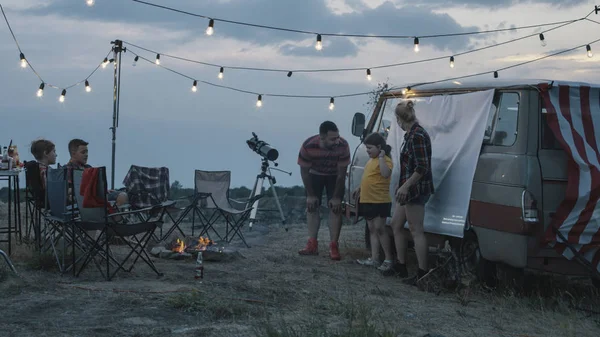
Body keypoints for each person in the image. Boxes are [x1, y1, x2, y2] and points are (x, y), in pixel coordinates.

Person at [389, 100, 434, 285]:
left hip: (415, 189)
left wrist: (406, 186)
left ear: (400, 119)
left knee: (416, 230)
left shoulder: (417, 135)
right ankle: (401, 265)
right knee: (396, 224)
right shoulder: (410, 134)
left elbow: (422, 167)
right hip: (406, 190)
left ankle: (423, 273)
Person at [297, 121, 351, 260]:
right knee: (312, 206)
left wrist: (336, 197)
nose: (337, 141)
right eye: (333, 139)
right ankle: (312, 244)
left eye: (338, 137)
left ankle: (334, 245)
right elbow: (304, 172)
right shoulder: (308, 146)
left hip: (334, 176)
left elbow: (341, 175)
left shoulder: (343, 146)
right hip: (314, 174)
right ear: (322, 137)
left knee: (336, 208)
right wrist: (310, 195)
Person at [352, 133, 395, 270]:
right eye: (367, 148)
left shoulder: (385, 160)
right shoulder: (370, 161)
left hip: (379, 200)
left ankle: (388, 259)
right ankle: (375, 258)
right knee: (372, 229)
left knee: (380, 229)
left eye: (370, 148)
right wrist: (359, 188)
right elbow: (368, 177)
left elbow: (385, 174)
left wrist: (382, 157)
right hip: (367, 199)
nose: (368, 151)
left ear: (379, 147)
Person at [65, 138, 128, 207]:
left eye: (87, 152)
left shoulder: (88, 167)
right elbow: (68, 191)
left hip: (96, 195)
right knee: (122, 196)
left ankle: (113, 215)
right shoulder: (68, 169)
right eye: (83, 152)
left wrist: (104, 190)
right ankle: (114, 216)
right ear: (73, 154)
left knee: (126, 191)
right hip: (86, 198)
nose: (86, 155)